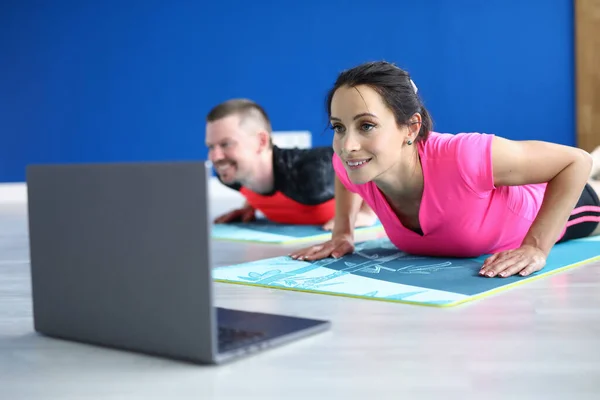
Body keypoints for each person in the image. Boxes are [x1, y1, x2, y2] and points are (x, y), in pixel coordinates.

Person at [290, 61, 600, 278]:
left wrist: (535, 246)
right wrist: (343, 232)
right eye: (338, 128)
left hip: (570, 204)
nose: (347, 146)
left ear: (411, 127)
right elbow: (343, 174)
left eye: (367, 125)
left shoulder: (465, 156)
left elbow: (576, 162)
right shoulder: (354, 165)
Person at [205, 98, 377, 228]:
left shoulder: (313, 173)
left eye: (226, 144)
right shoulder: (232, 175)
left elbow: (361, 159)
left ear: (261, 142)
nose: (215, 157)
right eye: (211, 146)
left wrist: (365, 213)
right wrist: (250, 206)